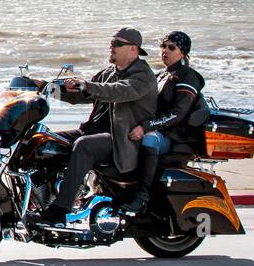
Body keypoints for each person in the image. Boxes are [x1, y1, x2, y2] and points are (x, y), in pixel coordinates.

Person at [35, 27, 157, 225]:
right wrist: (44, 87)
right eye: (111, 42)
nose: (112, 47)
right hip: (93, 132)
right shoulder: (109, 72)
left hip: (122, 141)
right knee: (43, 141)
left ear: (133, 49)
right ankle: (41, 199)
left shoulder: (143, 75)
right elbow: (82, 95)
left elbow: (118, 91)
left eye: (117, 44)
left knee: (84, 145)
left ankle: (60, 209)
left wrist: (87, 86)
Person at [121, 31, 207, 216]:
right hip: (161, 129)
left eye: (171, 47)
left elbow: (178, 113)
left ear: (182, 52)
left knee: (150, 139)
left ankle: (142, 195)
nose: (165, 51)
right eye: (163, 46)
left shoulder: (187, 76)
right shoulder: (161, 75)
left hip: (176, 137)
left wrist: (145, 127)